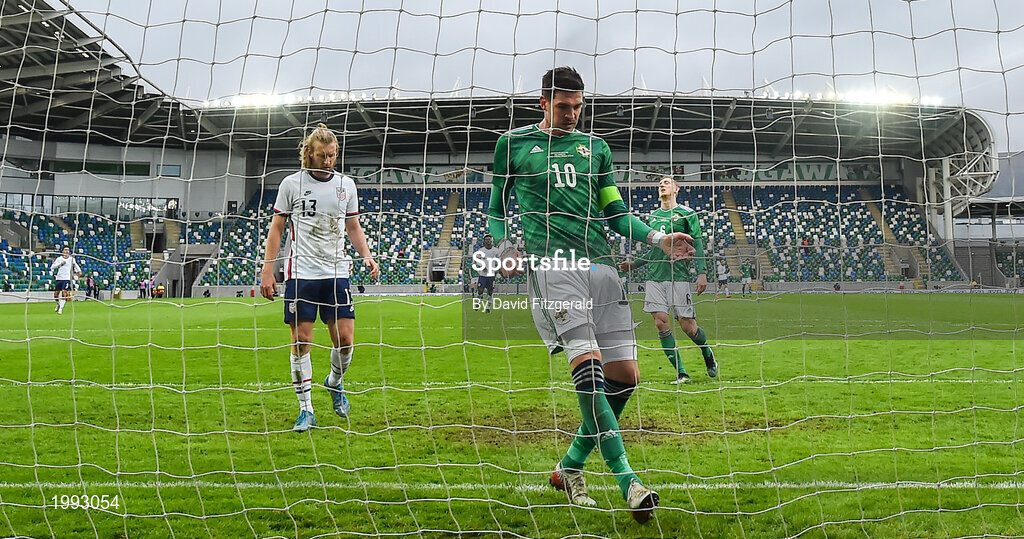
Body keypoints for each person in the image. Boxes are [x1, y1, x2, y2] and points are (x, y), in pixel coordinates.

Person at [489, 66, 694, 522]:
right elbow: (496, 210)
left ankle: (570, 465)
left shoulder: (596, 149)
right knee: (589, 367)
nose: (572, 114)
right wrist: (502, 246)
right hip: (553, 265)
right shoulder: (513, 144)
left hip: (601, 266)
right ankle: (629, 481)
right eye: (564, 106)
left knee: (627, 375)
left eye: (578, 106)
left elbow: (616, 213)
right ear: (543, 102)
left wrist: (658, 240)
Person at [260, 123, 380, 432]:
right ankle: (306, 409)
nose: (329, 161)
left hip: (337, 272)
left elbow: (353, 226)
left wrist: (366, 255)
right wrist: (267, 269)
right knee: (301, 340)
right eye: (323, 156)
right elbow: (277, 227)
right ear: (309, 154)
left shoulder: (346, 185)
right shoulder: (291, 184)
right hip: (302, 273)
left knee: (345, 340)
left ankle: (334, 382)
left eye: (333, 155)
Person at [620, 177, 718, 384]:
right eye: (660, 184)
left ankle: (707, 352)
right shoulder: (653, 216)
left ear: (676, 189)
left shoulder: (687, 213)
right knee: (660, 323)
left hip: (678, 276)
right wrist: (633, 265)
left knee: (688, 327)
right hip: (654, 278)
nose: (662, 186)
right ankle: (682, 373)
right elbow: (654, 250)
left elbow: (697, 243)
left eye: (666, 183)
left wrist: (702, 272)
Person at [471, 234, 501, 312]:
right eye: (486, 240)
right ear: (484, 241)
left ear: (491, 241)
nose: (488, 241)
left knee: (490, 291)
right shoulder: (481, 251)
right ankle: (477, 303)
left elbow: (500, 259)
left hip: (491, 275)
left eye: (489, 239)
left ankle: (488, 307)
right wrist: (482, 265)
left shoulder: (496, 250)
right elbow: (475, 260)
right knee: (480, 290)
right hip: (483, 275)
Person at [50, 246, 81, 314]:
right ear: (63, 251)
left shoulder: (71, 259)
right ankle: (58, 304)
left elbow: (75, 265)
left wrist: (79, 271)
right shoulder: (59, 259)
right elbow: (52, 266)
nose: (66, 251)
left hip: (66, 278)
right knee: (56, 294)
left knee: (64, 292)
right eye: (65, 250)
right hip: (59, 278)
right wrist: (60, 264)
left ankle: (61, 308)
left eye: (68, 250)